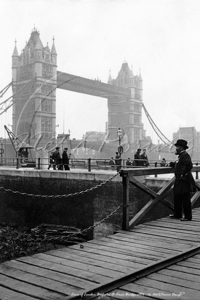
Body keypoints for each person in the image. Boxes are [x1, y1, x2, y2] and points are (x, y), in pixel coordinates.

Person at [169, 139, 196, 221]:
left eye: (177, 146)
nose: (176, 148)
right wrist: (173, 164)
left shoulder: (185, 155)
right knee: (177, 196)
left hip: (184, 180)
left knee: (185, 198)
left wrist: (182, 174)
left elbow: (188, 165)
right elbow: (180, 164)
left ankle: (188, 217)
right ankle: (178, 214)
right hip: (180, 180)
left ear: (181, 147)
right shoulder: (181, 156)